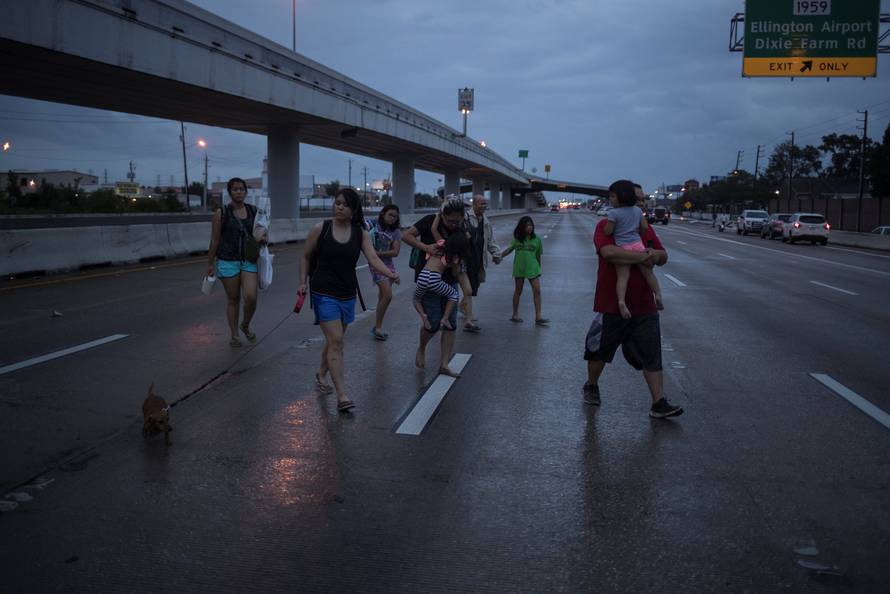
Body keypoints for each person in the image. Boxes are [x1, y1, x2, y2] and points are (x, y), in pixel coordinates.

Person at [582, 181, 683, 419]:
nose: (639, 203)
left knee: (651, 353)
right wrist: (642, 256)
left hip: (644, 304)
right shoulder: (605, 225)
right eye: (636, 199)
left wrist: (653, 255)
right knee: (600, 351)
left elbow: (662, 256)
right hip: (611, 303)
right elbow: (608, 252)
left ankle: (658, 402)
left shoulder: (644, 228)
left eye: (641, 200)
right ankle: (592, 385)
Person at [298, 189, 399, 413]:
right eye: (337, 203)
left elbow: (372, 258)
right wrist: (302, 282)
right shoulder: (320, 229)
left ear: (353, 210)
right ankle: (342, 396)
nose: (339, 207)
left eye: (344, 204)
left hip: (347, 293)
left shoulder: (360, 233)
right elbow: (305, 256)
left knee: (337, 339)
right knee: (336, 341)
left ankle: (321, 372)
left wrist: (390, 274)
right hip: (323, 291)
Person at [402, 196, 466, 377]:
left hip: (449, 281)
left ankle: (444, 364)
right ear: (443, 215)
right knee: (433, 324)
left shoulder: (460, 230)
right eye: (450, 220)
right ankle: (422, 347)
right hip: (429, 281)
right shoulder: (430, 221)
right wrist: (425, 247)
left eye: (458, 221)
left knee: (451, 324)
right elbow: (406, 235)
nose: (454, 224)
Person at [206, 177, 267, 347]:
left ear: (246, 192)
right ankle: (234, 335)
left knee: (251, 297)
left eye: (241, 189)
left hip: (248, 260)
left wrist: (263, 238)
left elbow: (262, 234)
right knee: (233, 299)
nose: (239, 192)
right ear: (229, 192)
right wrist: (210, 263)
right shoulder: (222, 213)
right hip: (227, 260)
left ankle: (245, 324)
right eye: (235, 189)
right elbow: (215, 240)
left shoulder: (254, 211)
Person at [603, 180, 664, 319]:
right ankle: (658, 294)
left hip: (623, 247)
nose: (610, 199)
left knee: (623, 276)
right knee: (648, 273)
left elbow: (608, 231)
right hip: (637, 244)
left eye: (612, 196)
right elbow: (644, 228)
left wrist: (610, 229)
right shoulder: (637, 211)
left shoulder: (613, 213)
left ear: (621, 197)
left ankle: (621, 301)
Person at [413, 231, 470, 331]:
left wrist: (438, 217)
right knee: (453, 295)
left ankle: (423, 315)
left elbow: (434, 230)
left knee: (416, 299)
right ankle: (445, 318)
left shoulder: (439, 246)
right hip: (434, 278)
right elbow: (454, 274)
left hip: (422, 276)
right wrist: (456, 264)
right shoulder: (454, 257)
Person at [499, 216, 548, 326]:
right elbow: (509, 249)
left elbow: (538, 256)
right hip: (520, 267)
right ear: (522, 227)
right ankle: (515, 314)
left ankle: (538, 316)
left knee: (537, 291)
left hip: (533, 268)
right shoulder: (518, 239)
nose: (529, 227)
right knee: (518, 290)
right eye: (526, 225)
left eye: (530, 225)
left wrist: (539, 269)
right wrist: (500, 256)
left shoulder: (537, 239)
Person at [463, 194, 502, 328]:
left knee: (474, 286)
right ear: (474, 205)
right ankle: (469, 316)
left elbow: (490, 240)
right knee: (467, 290)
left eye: (485, 204)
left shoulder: (485, 221)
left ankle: (462, 306)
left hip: (479, 259)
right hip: (465, 259)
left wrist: (496, 253)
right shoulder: (466, 218)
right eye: (481, 204)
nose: (484, 206)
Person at [367, 204, 401, 341]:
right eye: (390, 215)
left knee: (383, 297)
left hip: (388, 264)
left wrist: (378, 253)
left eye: (395, 217)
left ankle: (377, 326)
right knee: (387, 295)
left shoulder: (396, 232)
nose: (392, 218)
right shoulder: (373, 224)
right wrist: (373, 256)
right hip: (375, 264)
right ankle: (378, 328)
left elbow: (395, 252)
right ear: (383, 214)